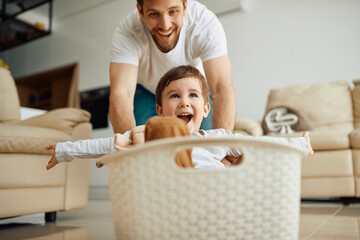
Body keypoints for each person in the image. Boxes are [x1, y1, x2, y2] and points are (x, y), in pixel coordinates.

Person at [46, 65, 313, 170]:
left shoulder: (219, 138)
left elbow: (261, 146)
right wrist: (64, 150)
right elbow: (106, 144)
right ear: (160, 110)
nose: (184, 101)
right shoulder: (149, 133)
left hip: (218, 199)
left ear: (206, 109)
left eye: (193, 96)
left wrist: (300, 144)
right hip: (174, 198)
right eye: (174, 96)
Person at [109, 0, 236, 134]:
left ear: (185, 6)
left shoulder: (204, 24)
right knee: (146, 146)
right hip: (147, 91)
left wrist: (224, 148)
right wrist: (130, 149)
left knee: (209, 144)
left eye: (173, 11)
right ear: (141, 11)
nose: (165, 25)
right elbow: (122, 94)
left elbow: (221, 88)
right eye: (154, 14)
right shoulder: (127, 33)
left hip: (194, 92)